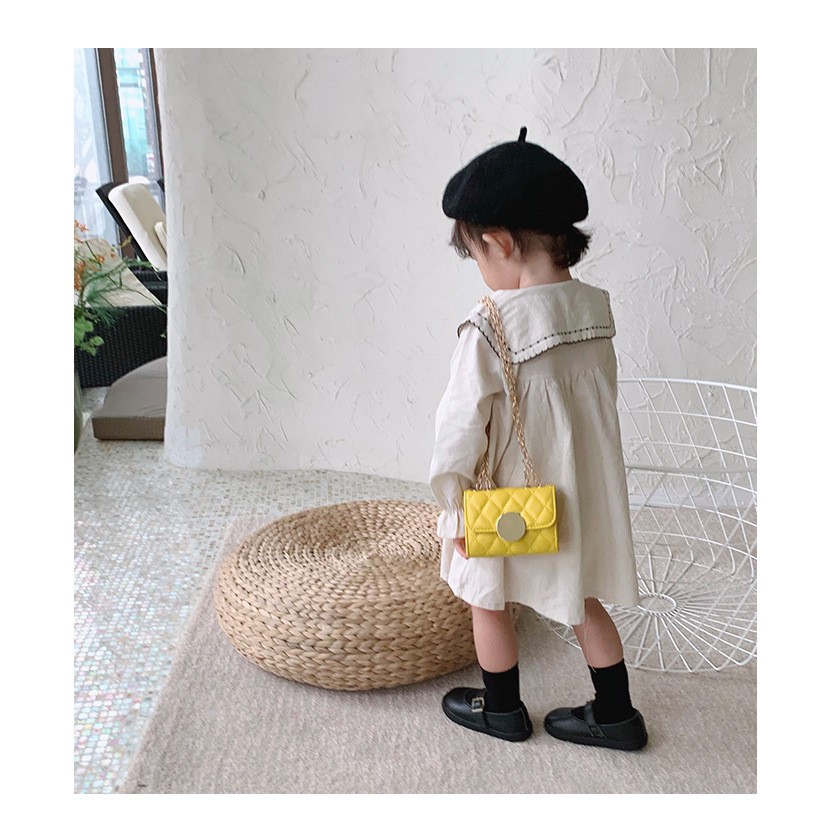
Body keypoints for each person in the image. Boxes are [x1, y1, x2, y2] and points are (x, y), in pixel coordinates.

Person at [428, 127, 648, 751]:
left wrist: (453, 506)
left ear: (499, 242)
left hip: (511, 501)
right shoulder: (595, 311)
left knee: (488, 598)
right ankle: (617, 714)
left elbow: (458, 431)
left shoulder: (489, 324)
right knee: (583, 598)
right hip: (581, 495)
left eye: (476, 255)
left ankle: (501, 709)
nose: (480, 271)